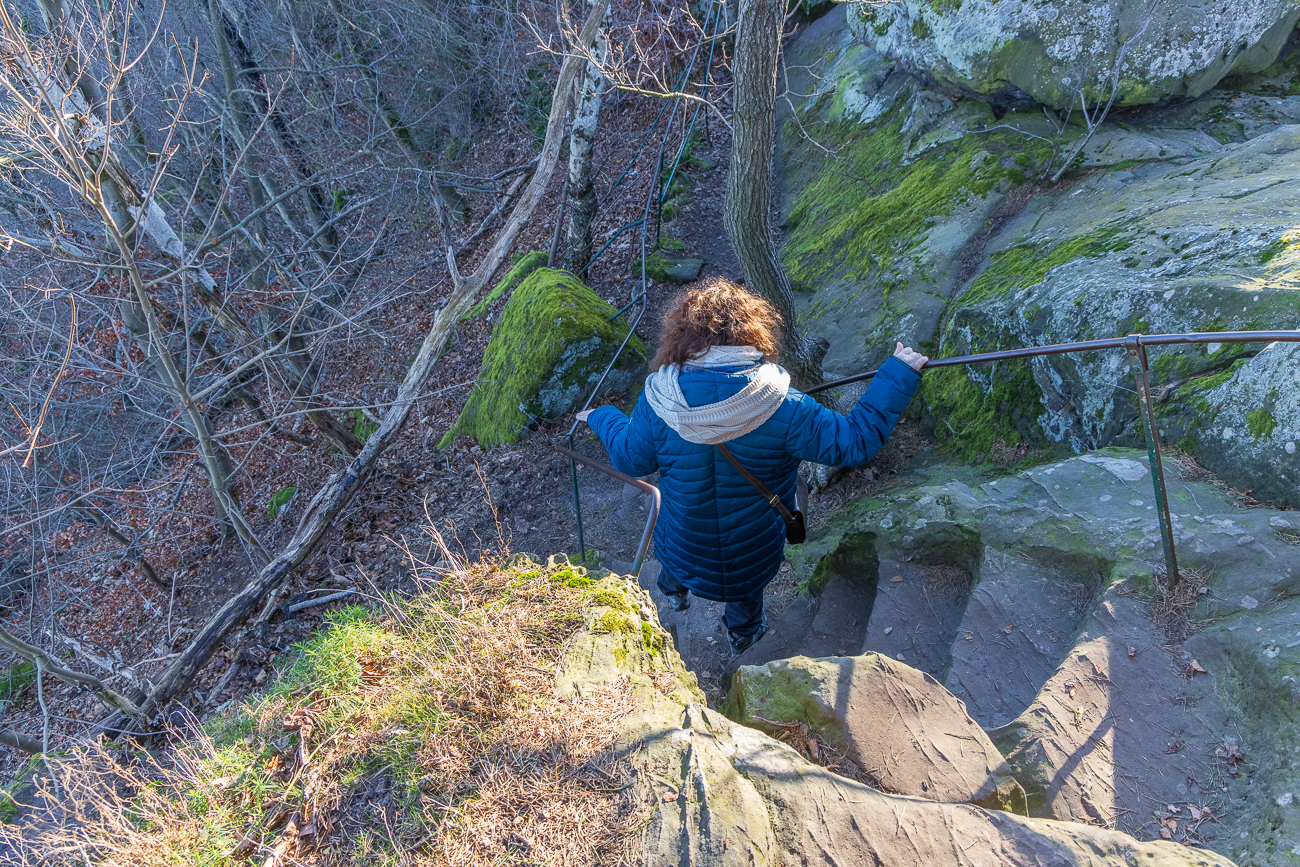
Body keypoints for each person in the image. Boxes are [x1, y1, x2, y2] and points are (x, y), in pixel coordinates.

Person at [577, 279, 926, 654]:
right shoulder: (783, 404)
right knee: (745, 594)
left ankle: (674, 596)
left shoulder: (658, 400)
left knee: (676, 561)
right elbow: (855, 442)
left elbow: (630, 458)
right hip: (752, 552)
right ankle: (743, 638)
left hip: (681, 539)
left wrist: (602, 416)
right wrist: (898, 374)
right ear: (751, 333)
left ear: (681, 337)